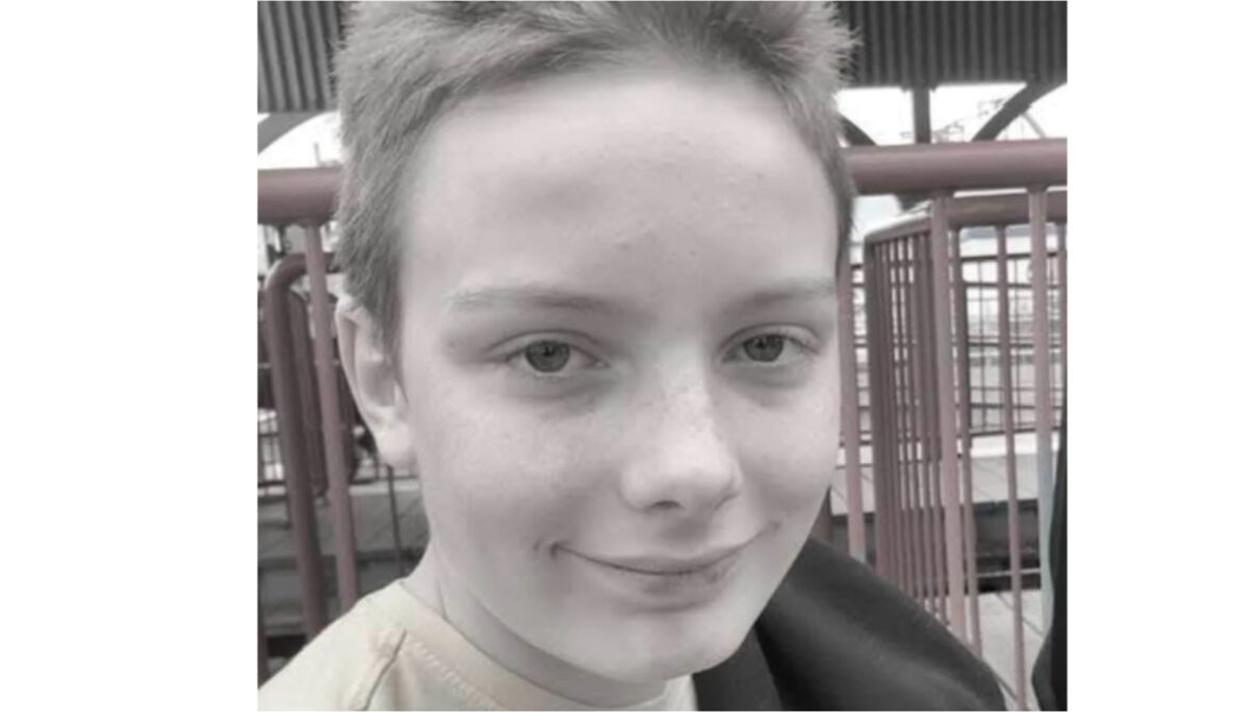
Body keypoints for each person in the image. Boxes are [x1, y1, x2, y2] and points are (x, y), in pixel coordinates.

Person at [259, 2, 1004, 709]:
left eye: (766, 344)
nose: (694, 470)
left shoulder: (906, 670)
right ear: (382, 378)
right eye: (549, 354)